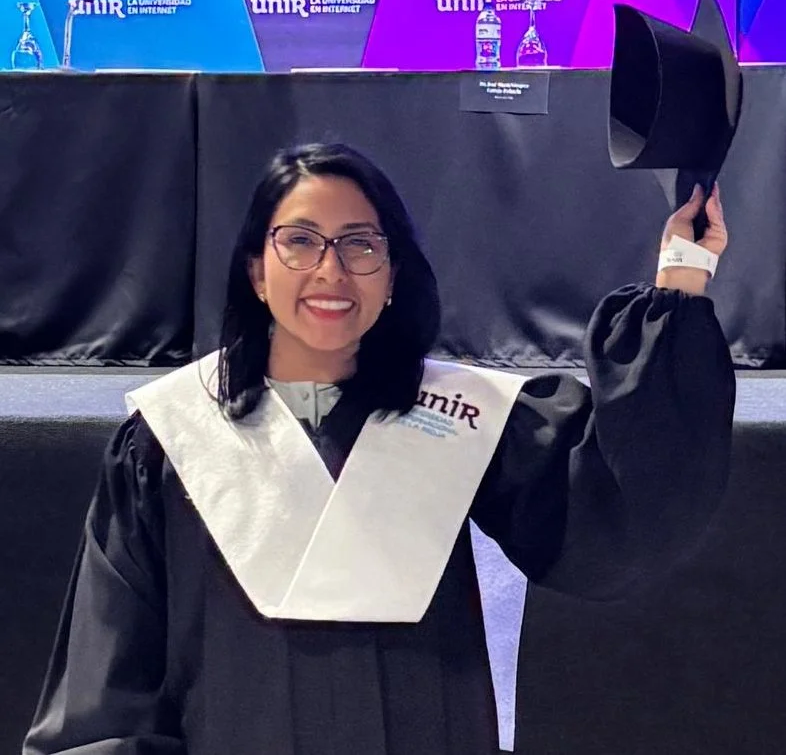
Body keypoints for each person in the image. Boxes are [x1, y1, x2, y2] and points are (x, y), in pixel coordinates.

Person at [23, 143, 734, 755]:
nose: (330, 271)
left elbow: (618, 517)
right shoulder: (169, 438)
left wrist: (681, 274)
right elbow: (110, 682)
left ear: (392, 276)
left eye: (360, 244)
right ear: (256, 270)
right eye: (300, 241)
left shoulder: (465, 418)